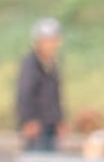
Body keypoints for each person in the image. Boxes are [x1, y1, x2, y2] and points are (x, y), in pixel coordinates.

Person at [15, 18, 66, 152]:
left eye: (54, 40)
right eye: (48, 41)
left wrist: (59, 120)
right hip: (36, 127)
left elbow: (55, 96)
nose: (52, 45)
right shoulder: (31, 64)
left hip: (50, 126)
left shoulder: (52, 64)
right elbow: (24, 93)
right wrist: (28, 120)